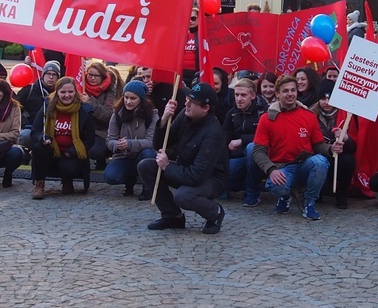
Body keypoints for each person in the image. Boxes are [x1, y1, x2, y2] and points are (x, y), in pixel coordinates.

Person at [138, 83, 228, 235]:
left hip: (211, 178)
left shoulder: (213, 134)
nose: (186, 104)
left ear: (205, 108)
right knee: (146, 166)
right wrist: (164, 119)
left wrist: (167, 167)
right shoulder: (186, 115)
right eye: (187, 99)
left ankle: (215, 212)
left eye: (192, 102)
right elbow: (160, 144)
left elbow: (196, 175)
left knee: (184, 196)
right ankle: (172, 216)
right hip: (185, 168)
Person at [252, 75, 342, 221]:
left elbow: (318, 144)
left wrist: (331, 149)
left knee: (320, 162)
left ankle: (309, 202)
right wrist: (271, 170)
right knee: (276, 186)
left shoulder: (309, 115)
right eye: (285, 91)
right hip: (282, 166)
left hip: (305, 164)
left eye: (293, 90)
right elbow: (257, 151)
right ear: (277, 94)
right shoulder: (266, 118)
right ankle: (285, 196)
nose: (290, 94)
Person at [30, 77, 96, 199]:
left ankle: (67, 181)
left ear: (75, 92)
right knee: (38, 148)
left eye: (70, 92)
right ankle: (39, 185)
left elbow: (90, 139)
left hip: (71, 153)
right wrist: (43, 138)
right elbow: (34, 131)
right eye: (63, 92)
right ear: (57, 92)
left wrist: (73, 151)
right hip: (50, 149)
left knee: (68, 167)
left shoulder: (84, 110)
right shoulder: (47, 106)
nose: (67, 95)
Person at [104, 80, 160, 198]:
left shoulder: (152, 115)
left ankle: (148, 186)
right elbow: (110, 139)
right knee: (110, 176)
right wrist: (117, 145)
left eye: (133, 98)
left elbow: (151, 142)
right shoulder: (117, 114)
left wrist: (130, 144)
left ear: (141, 99)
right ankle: (129, 180)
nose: (128, 102)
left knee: (148, 154)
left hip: (143, 154)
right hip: (124, 156)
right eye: (126, 97)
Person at [310, 79, 356, 209]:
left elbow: (354, 147)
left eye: (330, 98)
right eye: (323, 98)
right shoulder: (310, 114)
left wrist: (346, 138)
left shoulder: (347, 115)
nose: (327, 102)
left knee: (348, 160)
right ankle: (317, 191)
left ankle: (342, 194)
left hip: (340, 157)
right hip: (319, 153)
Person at [222, 78, 266, 206]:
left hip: (261, 155)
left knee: (252, 148)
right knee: (224, 176)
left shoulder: (263, 112)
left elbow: (267, 137)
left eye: (243, 95)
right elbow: (225, 138)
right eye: (236, 95)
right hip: (238, 157)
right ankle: (242, 184)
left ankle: (252, 192)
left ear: (253, 96)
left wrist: (242, 140)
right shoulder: (232, 114)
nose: (239, 98)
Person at [81, 61, 120, 169]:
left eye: (96, 76)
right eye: (90, 75)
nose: (92, 78)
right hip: (84, 129)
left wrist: (90, 102)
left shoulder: (110, 91)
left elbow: (107, 115)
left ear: (102, 77)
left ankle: (103, 156)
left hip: (101, 131)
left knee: (94, 152)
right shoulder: (81, 87)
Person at [15, 60, 60, 148]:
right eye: (48, 73)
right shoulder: (29, 90)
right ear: (43, 75)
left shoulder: (61, 93)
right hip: (30, 127)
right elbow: (15, 107)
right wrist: (24, 122)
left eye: (54, 74)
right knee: (25, 135)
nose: (51, 77)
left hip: (54, 128)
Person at [182, 7, 200, 87]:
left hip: (196, 72)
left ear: (199, 18)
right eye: (187, 18)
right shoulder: (182, 34)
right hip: (181, 73)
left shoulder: (203, 35)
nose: (190, 21)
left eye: (193, 18)